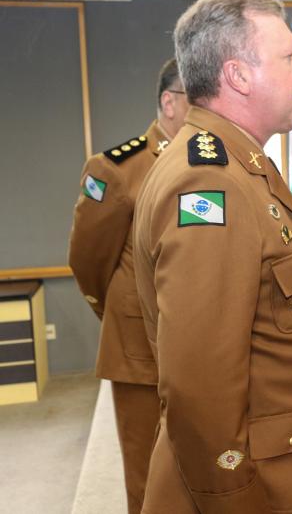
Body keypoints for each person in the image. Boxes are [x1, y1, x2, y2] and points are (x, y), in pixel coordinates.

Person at [133, 0, 292, 513]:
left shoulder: (239, 163)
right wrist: (233, 500)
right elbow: (199, 387)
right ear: (238, 76)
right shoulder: (212, 187)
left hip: (287, 457)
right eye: (288, 57)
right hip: (260, 488)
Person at [67, 58, 188, 514]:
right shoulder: (116, 169)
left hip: (200, 346)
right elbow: (88, 259)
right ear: (168, 102)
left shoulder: (211, 163)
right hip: (139, 349)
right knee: (146, 474)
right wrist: (121, 315)